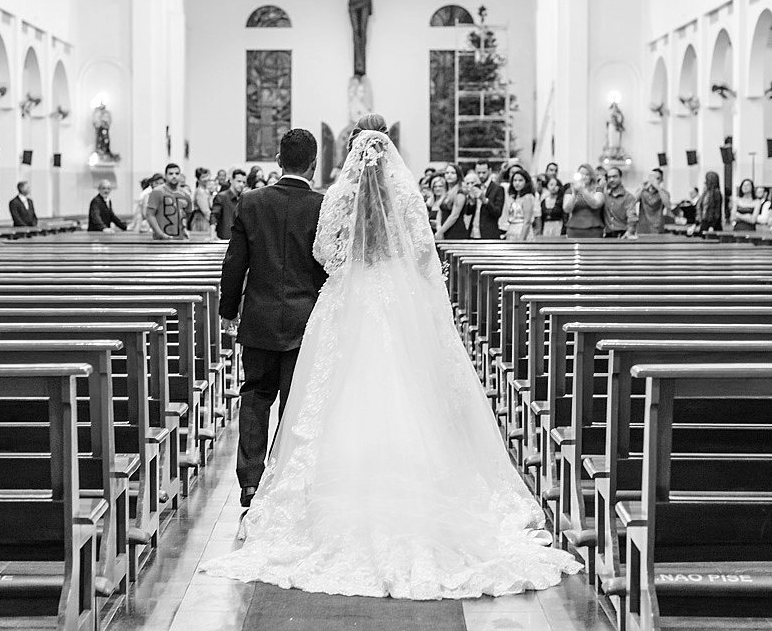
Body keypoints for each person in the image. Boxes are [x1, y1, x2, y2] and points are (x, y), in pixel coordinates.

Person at [202, 115, 582, 598]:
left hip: (330, 307)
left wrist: (347, 273)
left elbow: (319, 252)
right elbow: (424, 250)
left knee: (303, 401)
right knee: (398, 392)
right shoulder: (398, 196)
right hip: (383, 303)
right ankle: (409, 483)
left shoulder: (316, 199)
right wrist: (398, 275)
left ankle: (259, 485)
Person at [218, 127, 328, 510]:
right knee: (296, 401)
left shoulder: (250, 202)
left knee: (255, 395)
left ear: (278, 161)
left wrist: (228, 312)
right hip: (305, 320)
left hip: (260, 318)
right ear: (313, 165)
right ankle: (286, 478)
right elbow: (328, 267)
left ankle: (250, 482)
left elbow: (234, 264)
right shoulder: (322, 205)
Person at [146, 164, 192, 240]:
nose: (174, 176)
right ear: (165, 176)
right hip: (161, 239)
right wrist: (161, 234)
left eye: (177, 174)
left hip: (180, 238)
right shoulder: (157, 192)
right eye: (171, 174)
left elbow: (188, 214)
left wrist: (185, 229)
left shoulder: (186, 194)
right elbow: (150, 215)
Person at [563, 164, 605, 238]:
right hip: (574, 229)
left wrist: (582, 190)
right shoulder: (570, 190)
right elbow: (567, 209)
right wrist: (574, 195)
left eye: (587, 174)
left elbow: (596, 204)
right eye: (581, 174)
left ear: (591, 176)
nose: (584, 177)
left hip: (593, 229)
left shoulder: (597, 189)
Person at [500, 165, 538, 241]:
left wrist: (521, 240)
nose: (517, 183)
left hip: (522, 231)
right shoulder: (515, 197)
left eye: (520, 180)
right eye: (515, 180)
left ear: (526, 182)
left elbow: (527, 221)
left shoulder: (527, 197)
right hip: (511, 229)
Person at [473, 160, 506, 239]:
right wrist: (470, 202)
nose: (481, 175)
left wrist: (484, 200)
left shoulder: (498, 189)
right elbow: (469, 212)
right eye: (478, 173)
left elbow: (497, 212)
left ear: (490, 171)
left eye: (484, 173)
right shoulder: (475, 187)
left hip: (489, 233)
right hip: (473, 232)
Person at [436, 164, 469, 241]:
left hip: (455, 231)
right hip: (443, 229)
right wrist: (438, 227)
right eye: (447, 173)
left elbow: (454, 216)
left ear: (458, 175)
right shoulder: (446, 192)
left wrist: (440, 232)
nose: (449, 175)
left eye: (452, 173)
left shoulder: (460, 192)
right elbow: (440, 212)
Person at [601, 165, 637, 238]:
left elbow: (632, 217)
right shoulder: (605, 196)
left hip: (623, 234)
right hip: (607, 235)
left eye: (614, 177)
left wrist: (630, 231)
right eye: (609, 177)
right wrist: (600, 186)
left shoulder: (628, 197)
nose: (611, 180)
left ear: (620, 178)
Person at [212, 169, 247, 241]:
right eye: (239, 181)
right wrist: (212, 234)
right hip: (224, 237)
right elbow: (214, 216)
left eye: (244, 182)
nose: (241, 184)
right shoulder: (221, 197)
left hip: (238, 239)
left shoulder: (243, 198)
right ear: (231, 180)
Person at [634, 168, 671, 235]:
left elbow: (668, 205)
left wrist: (658, 187)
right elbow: (633, 202)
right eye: (652, 177)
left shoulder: (664, 193)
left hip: (657, 229)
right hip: (643, 229)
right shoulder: (643, 191)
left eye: (657, 178)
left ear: (661, 180)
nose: (654, 180)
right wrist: (642, 188)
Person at [190, 167, 213, 235]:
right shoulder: (200, 192)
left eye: (207, 176)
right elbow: (205, 211)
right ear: (198, 179)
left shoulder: (206, 190)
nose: (206, 179)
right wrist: (213, 222)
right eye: (203, 177)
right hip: (201, 221)